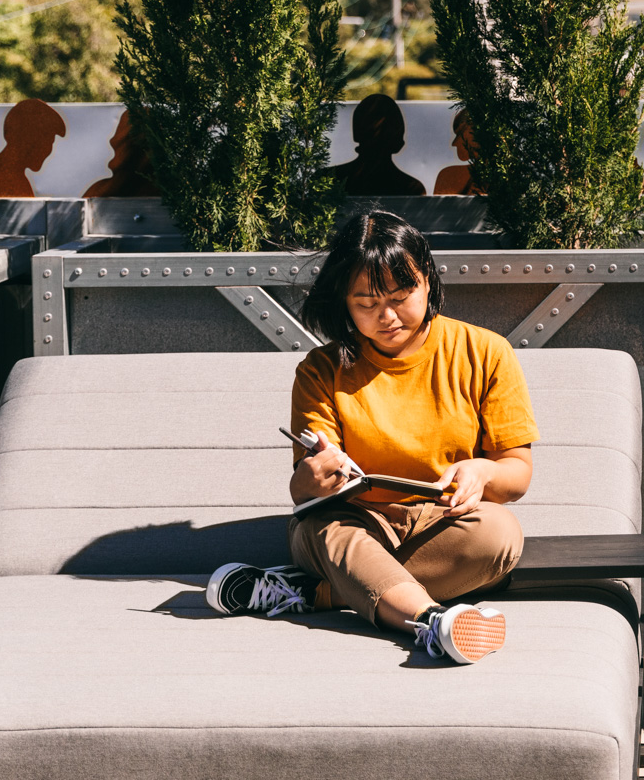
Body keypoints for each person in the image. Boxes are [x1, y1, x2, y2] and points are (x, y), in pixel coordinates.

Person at [204, 212, 538, 665]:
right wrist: (314, 477)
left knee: (498, 534)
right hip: (349, 523)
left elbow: (517, 475)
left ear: (429, 284)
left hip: (439, 524)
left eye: (403, 297)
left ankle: (318, 593)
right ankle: (433, 622)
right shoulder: (321, 370)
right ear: (343, 301)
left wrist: (482, 471)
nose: (387, 316)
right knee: (329, 531)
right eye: (366, 303)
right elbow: (303, 494)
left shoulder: (485, 351)